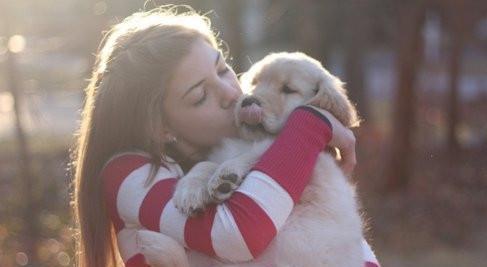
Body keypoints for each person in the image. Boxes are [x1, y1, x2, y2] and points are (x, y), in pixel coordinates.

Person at [70, 6, 380, 267]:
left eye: (223, 70)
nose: (233, 93)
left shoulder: (248, 152)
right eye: (200, 95)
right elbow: (240, 235)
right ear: (159, 127)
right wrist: (313, 123)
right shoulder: (127, 175)